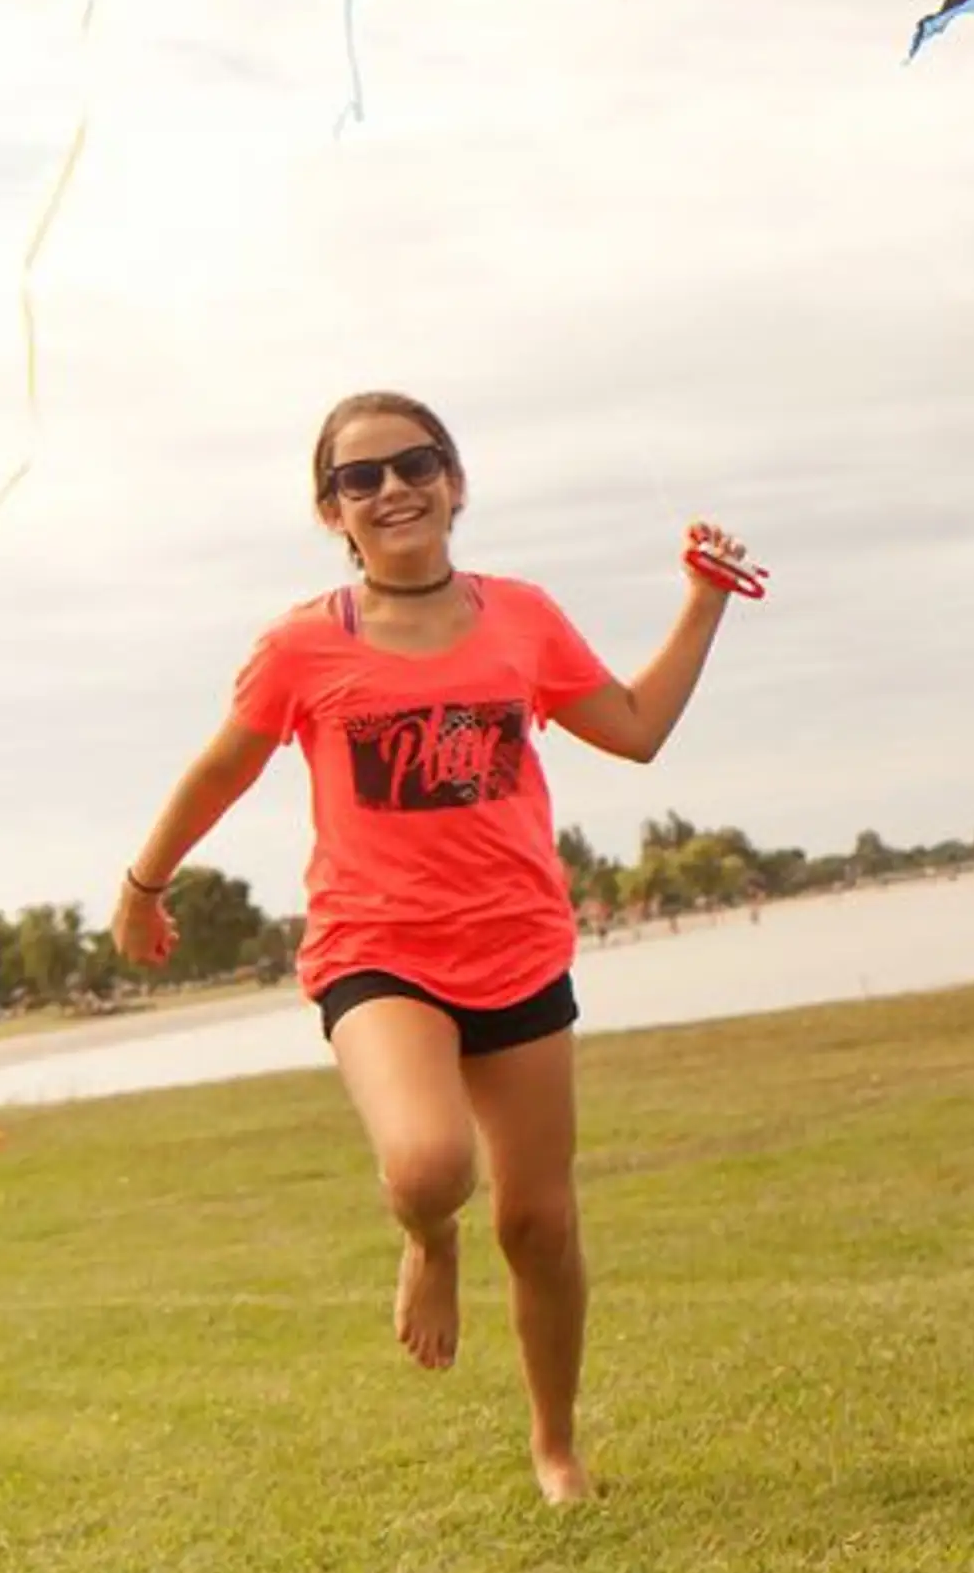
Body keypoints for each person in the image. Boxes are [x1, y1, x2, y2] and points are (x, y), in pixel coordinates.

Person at [114, 390, 755, 1504]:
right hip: (378, 950)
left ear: (456, 483)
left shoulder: (524, 617)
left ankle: (555, 1445)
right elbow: (222, 769)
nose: (392, 488)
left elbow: (637, 730)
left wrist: (702, 602)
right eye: (360, 477)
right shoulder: (301, 646)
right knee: (428, 1165)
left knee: (540, 1219)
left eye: (415, 464)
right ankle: (426, 1237)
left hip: (517, 948)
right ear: (333, 514)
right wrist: (142, 884)